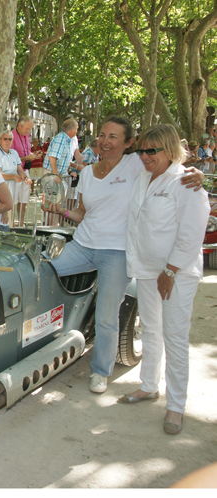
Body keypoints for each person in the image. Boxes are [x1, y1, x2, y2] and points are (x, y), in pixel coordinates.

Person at [41, 116, 204, 394]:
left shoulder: (134, 165)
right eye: (102, 135)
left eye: (113, 136)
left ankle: (100, 371)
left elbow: (167, 163)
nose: (105, 141)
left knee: (107, 316)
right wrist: (63, 212)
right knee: (42, 271)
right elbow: (84, 214)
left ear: (129, 143)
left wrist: (194, 173)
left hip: (117, 253)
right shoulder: (89, 173)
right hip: (83, 245)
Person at [118, 124, 210, 435]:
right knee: (151, 330)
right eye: (141, 150)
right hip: (146, 267)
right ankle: (148, 386)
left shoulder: (185, 181)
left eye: (151, 151)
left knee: (175, 336)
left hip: (176, 273)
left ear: (169, 151)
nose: (144, 156)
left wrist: (170, 271)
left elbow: (192, 232)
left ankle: (176, 406)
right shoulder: (142, 175)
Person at [0, 129, 30, 227]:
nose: (8, 141)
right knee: (1, 220)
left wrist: (25, 178)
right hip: (0, 191)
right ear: (0, 140)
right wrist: (13, 176)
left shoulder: (14, 153)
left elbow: (20, 170)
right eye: (5, 139)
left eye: (10, 139)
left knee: (9, 219)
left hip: (12, 189)